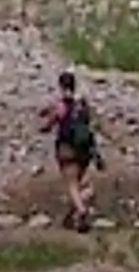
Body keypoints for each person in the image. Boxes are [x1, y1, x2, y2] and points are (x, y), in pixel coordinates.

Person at [41, 70, 102, 231]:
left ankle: (81, 211)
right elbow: (92, 123)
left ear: (61, 86)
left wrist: (44, 124)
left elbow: (49, 125)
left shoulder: (61, 105)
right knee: (87, 186)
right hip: (84, 150)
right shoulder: (82, 104)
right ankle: (71, 217)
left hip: (67, 149)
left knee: (72, 185)